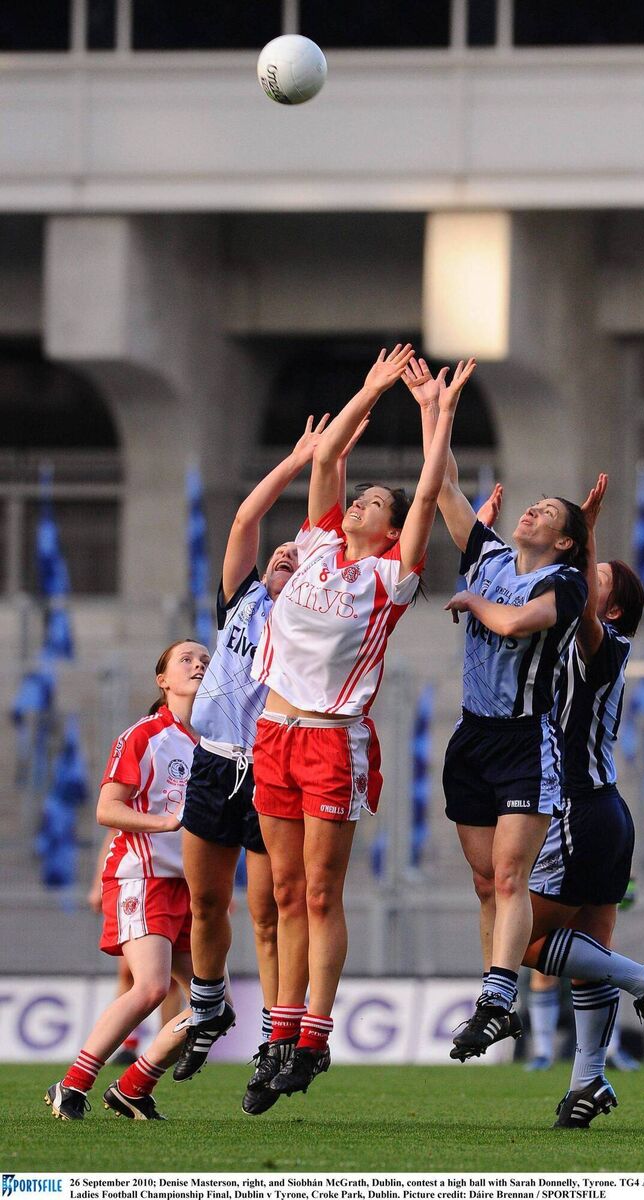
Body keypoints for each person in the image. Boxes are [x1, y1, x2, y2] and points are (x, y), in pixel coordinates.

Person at [249, 343, 473, 1099]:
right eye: (360, 497)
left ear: (388, 529)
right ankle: (277, 1035)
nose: (360, 503)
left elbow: (430, 489)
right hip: (272, 734)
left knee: (318, 893)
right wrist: (370, 388)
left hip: (330, 740)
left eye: (375, 503)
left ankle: (312, 1036)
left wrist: (433, 416)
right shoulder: (312, 546)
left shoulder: (389, 578)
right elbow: (327, 458)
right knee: (282, 895)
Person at [172, 415, 365, 1114]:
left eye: (295, 556)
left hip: (273, 765)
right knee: (204, 901)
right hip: (216, 761)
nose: (284, 556)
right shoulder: (243, 602)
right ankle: (209, 1001)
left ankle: (273, 1039)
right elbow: (246, 521)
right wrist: (294, 460)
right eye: (278, 555)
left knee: (271, 910)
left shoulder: (310, 618)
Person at [406, 355, 589, 1057]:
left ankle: (496, 998)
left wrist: (471, 601)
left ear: (566, 541)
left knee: (511, 876)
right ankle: (500, 1002)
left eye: (550, 511)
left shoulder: (568, 583)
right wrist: (435, 409)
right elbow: (442, 485)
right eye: (532, 504)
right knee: (487, 881)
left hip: (525, 740)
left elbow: (514, 625)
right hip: (472, 740)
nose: (533, 508)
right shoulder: (485, 553)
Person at [525, 474, 644, 1127]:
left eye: (601, 578)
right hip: (606, 810)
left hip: (578, 809)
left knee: (523, 943)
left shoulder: (601, 641)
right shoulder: (578, 641)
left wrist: (584, 533)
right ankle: (589, 1082)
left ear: (611, 608)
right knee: (590, 954)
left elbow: (580, 607)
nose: (589, 580)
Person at [45, 639, 210, 1121]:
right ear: (162, 680)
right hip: (143, 876)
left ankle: (133, 1087)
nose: (198, 665)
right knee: (152, 986)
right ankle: (71, 1084)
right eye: (186, 659)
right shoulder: (143, 735)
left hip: (187, 886)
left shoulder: (212, 743)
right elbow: (106, 809)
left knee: (210, 1006)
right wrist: (165, 822)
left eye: (205, 660)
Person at [87, 830, 184, 1065]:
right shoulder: (143, 799)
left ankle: (165, 1047)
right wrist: (97, 884)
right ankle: (128, 1045)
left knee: (170, 978)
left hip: (179, 881)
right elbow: (113, 833)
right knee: (131, 972)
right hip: (140, 881)